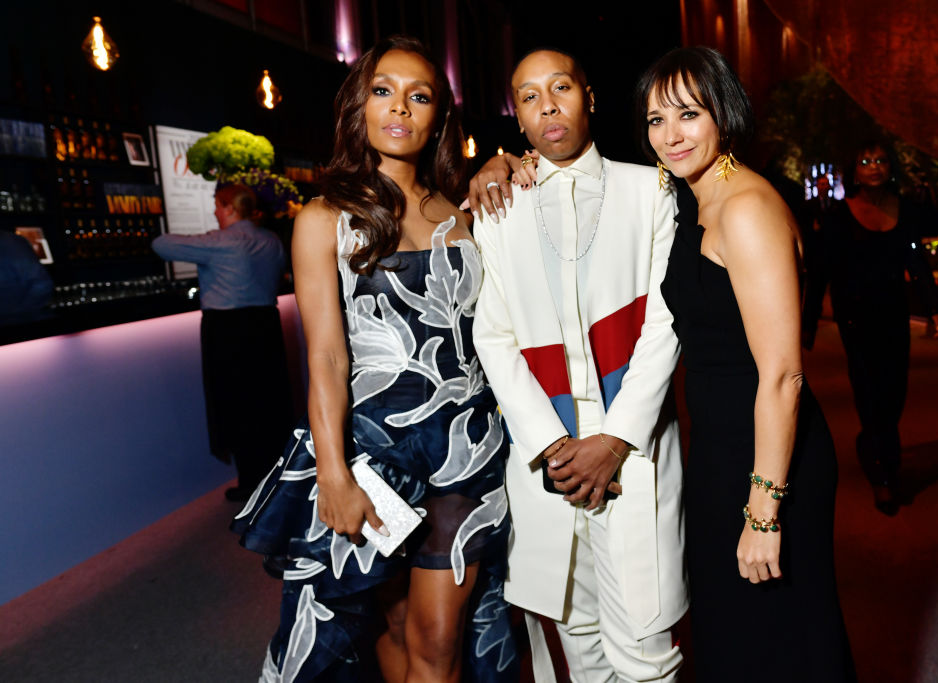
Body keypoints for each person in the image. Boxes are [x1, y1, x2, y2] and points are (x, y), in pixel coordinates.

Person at [230, 36, 516, 682]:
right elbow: (326, 357)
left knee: (440, 638)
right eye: (383, 91)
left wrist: (503, 165)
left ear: (439, 117)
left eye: (420, 96)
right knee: (387, 624)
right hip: (373, 453)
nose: (400, 108)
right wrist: (333, 472)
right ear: (359, 106)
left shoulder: (466, 213)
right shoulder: (324, 218)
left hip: (466, 449)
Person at [638, 47, 856, 681]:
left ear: (723, 115)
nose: (670, 135)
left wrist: (764, 511)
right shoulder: (693, 195)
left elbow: (785, 376)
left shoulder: (746, 208)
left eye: (688, 114)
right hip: (721, 447)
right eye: (656, 120)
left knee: (780, 642)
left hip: (770, 458)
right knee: (734, 635)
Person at [469, 48, 686, 682]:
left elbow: (666, 322)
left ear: (587, 96)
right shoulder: (498, 208)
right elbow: (495, 337)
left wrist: (616, 439)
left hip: (632, 441)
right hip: (548, 452)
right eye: (529, 97)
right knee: (572, 641)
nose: (548, 106)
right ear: (517, 116)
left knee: (647, 647)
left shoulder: (650, 189)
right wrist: (552, 445)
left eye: (560, 87)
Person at [803, 140, 938, 515]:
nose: (874, 166)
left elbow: (916, 260)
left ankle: (878, 450)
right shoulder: (838, 214)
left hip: (893, 316)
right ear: (855, 171)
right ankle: (883, 475)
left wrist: (934, 307)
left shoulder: (905, 211)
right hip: (855, 319)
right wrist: (807, 323)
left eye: (881, 160)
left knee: (894, 394)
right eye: (865, 160)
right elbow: (821, 270)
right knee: (870, 396)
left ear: (891, 167)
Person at [152, 183, 294, 502]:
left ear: (230, 207)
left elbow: (161, 244)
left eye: (217, 205)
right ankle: (277, 475)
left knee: (236, 405)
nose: (215, 211)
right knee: (268, 402)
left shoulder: (219, 242)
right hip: (266, 326)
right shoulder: (270, 239)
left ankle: (251, 482)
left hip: (228, 330)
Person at [0, 228, 53, 326]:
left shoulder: (10, 243)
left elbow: (42, 286)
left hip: (21, 324)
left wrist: (14, 314)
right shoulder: (12, 242)